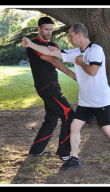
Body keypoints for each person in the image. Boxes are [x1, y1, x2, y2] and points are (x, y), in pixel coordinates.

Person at [22, 23, 110, 175]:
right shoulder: (75, 52)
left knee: (108, 130)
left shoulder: (96, 50)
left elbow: (92, 71)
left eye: (71, 36)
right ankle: (74, 158)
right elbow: (49, 51)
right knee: (74, 126)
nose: (69, 39)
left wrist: (79, 63)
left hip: (101, 100)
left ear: (79, 35)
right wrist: (30, 44)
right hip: (85, 101)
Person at [25, 17, 75, 163]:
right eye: (46, 29)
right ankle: (64, 153)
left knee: (51, 119)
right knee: (69, 115)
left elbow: (60, 55)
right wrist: (72, 75)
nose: (49, 32)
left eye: (51, 29)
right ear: (39, 28)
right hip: (46, 87)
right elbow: (53, 60)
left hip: (53, 85)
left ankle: (36, 150)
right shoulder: (34, 45)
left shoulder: (52, 44)